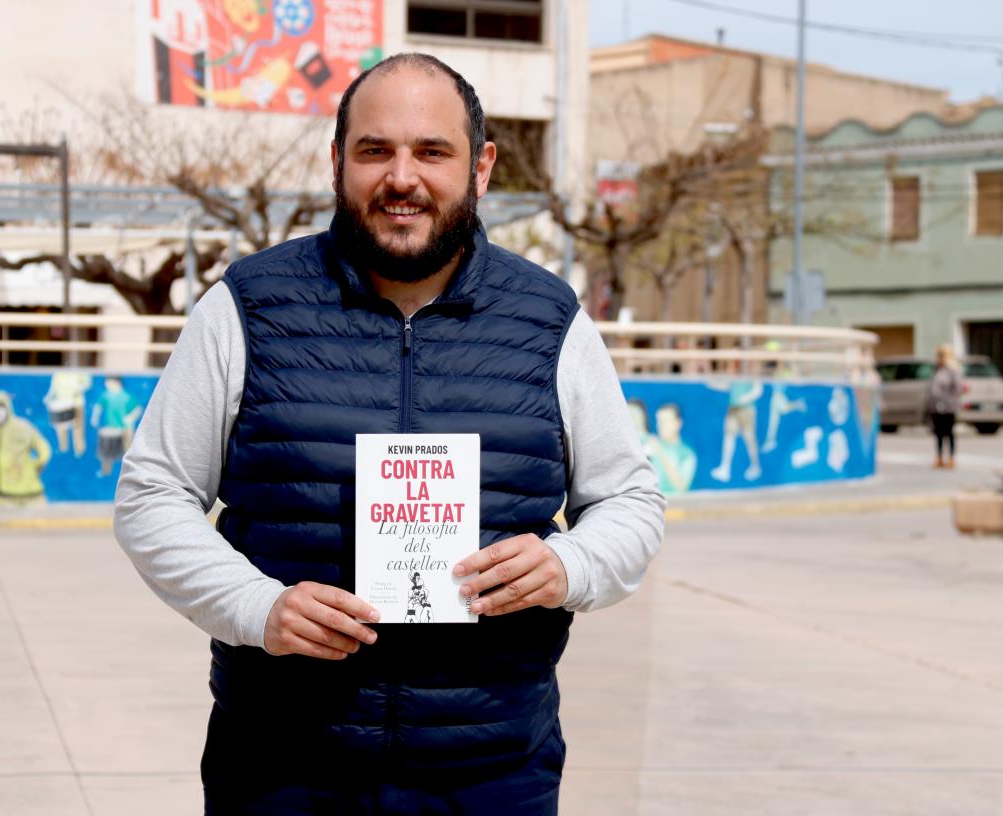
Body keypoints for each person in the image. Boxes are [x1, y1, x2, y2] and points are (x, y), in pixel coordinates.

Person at [114, 53, 665, 814]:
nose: (401, 178)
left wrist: (568, 564)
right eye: (375, 150)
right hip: (281, 769)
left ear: (480, 167)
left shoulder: (550, 320)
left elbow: (631, 503)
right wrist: (255, 606)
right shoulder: (245, 307)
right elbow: (152, 494)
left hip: (492, 772)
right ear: (338, 162)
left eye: (432, 152)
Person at [926, 343, 962, 469]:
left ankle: (951, 458)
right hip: (936, 406)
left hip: (949, 407)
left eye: (940, 355)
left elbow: (957, 389)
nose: (938, 357)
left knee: (949, 432)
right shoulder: (936, 369)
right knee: (938, 433)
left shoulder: (953, 370)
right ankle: (939, 458)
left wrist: (947, 401)